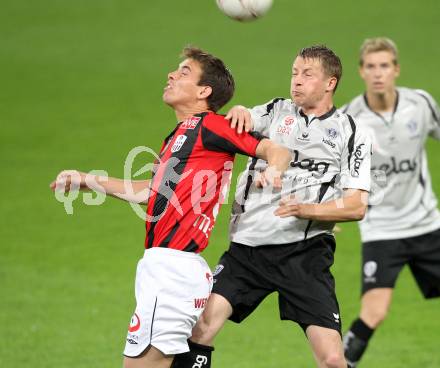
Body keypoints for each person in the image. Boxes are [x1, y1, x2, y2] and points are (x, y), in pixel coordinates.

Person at [50, 46, 292, 368]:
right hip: (169, 269)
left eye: (184, 72)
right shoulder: (177, 136)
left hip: (172, 270)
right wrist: (87, 180)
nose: (171, 75)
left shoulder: (212, 126)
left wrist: (273, 171)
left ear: (204, 91)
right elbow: (150, 193)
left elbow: (275, 150)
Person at [172, 45, 372, 368]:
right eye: (294, 73)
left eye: (307, 74)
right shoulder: (277, 111)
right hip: (247, 249)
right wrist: (239, 111)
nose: (296, 81)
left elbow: (356, 205)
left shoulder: (351, 133)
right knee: (200, 329)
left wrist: (307, 211)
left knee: (334, 359)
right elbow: (239, 120)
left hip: (304, 254)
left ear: (330, 83)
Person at [341, 37, 440, 367]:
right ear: (361, 71)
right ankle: (339, 363)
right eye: (371, 67)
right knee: (374, 311)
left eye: (384, 66)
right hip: (381, 229)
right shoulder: (350, 121)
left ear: (396, 69)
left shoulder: (420, 104)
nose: (378, 74)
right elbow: (329, 169)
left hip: (427, 222)